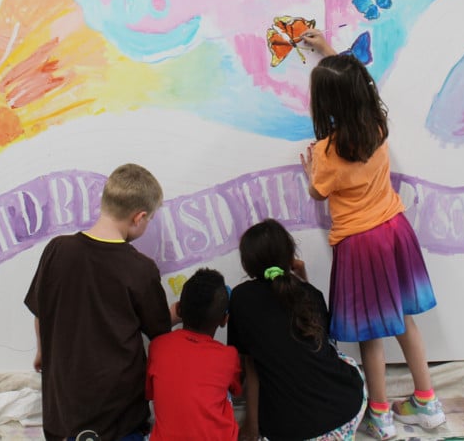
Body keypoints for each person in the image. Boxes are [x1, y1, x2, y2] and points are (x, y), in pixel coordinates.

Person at [297, 29, 446, 440]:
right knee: (405, 322)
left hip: (360, 244)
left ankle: (380, 415)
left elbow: (317, 191)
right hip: (395, 231)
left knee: (371, 335)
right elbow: (363, 82)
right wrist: (330, 51)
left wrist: (309, 172)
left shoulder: (327, 153)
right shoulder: (377, 124)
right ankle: (427, 403)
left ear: (326, 104)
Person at [24, 163, 174, 441]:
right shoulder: (140, 268)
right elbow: (159, 331)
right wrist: (176, 313)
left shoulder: (57, 250)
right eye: (150, 219)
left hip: (64, 416)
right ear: (139, 217)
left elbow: (41, 313)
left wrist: (42, 351)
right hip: (119, 418)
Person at [228, 219, 367, 441]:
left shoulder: (240, 297)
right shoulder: (310, 293)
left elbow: (250, 366)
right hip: (342, 413)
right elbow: (320, 340)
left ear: (247, 263)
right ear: (290, 256)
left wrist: (251, 427)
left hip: (286, 432)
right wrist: (303, 279)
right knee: (343, 360)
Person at [146, 268, 242, 440]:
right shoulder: (228, 356)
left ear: (179, 310)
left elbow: (151, 394)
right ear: (224, 320)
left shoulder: (157, 346)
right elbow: (236, 389)